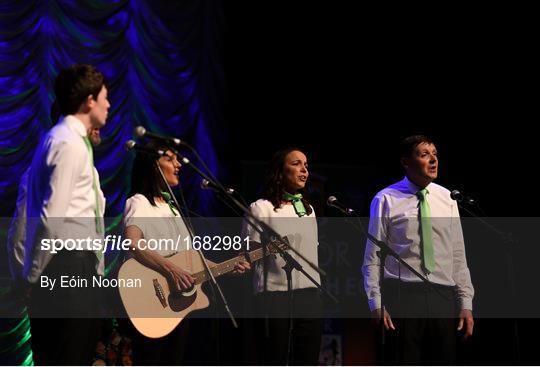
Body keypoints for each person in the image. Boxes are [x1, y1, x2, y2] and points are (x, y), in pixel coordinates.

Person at [122, 141, 249, 365]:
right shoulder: (140, 202)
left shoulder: (173, 209)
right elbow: (133, 243)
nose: (178, 164)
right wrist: (171, 269)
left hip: (176, 303)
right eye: (170, 159)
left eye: (177, 159)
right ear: (154, 166)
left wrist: (229, 267)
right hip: (151, 299)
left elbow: (190, 259)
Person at [23, 64, 110, 365]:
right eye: (104, 98)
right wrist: (33, 276)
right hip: (66, 267)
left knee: (76, 352)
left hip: (77, 267)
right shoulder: (68, 143)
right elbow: (51, 217)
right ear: (89, 101)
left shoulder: (73, 142)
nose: (108, 105)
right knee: (66, 354)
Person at [362, 135, 474, 364]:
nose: (433, 160)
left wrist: (466, 304)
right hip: (403, 296)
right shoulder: (386, 199)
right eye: (424, 155)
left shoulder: (448, 199)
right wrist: (376, 303)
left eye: (435, 154)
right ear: (406, 162)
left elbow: (457, 255)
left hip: (442, 297)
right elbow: (373, 256)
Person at [244, 147, 323, 365]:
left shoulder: (308, 209)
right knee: (273, 358)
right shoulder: (261, 208)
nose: (304, 170)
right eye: (296, 164)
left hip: (309, 296)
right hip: (273, 297)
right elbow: (249, 255)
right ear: (280, 171)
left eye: (306, 165)